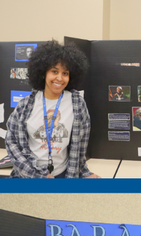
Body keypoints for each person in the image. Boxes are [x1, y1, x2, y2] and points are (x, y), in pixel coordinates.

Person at [6, 40, 99, 179]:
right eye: (54, 71)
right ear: (43, 72)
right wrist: (37, 176)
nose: (59, 78)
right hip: (29, 177)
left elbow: (80, 146)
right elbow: (12, 142)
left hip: (64, 175)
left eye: (65, 73)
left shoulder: (77, 104)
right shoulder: (25, 105)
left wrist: (84, 172)